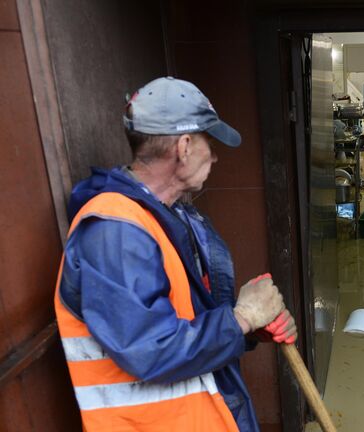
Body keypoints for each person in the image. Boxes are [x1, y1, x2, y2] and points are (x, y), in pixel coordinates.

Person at [53, 77, 296, 431]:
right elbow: (150, 349)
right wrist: (242, 316)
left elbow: (186, 321)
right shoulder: (115, 233)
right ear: (184, 146)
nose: (214, 156)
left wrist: (249, 327)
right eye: (208, 143)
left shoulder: (172, 217)